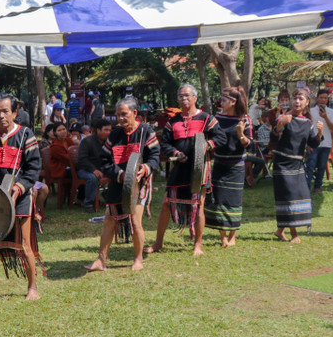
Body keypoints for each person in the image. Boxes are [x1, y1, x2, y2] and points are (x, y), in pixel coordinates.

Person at [0, 92, 42, 302]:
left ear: (15, 112)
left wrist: (20, 187)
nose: (2, 115)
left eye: (5, 111)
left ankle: (32, 287)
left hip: (20, 198)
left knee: (24, 243)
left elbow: (34, 167)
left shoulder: (26, 135)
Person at [148, 84, 225, 257]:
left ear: (195, 98)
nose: (184, 99)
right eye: (181, 96)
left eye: (187, 95)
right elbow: (165, 143)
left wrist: (206, 144)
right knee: (166, 203)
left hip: (200, 169)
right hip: (179, 167)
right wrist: (175, 153)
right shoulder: (173, 121)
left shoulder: (206, 118)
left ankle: (198, 244)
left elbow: (221, 136)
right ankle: (158, 242)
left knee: (199, 205)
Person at [86, 97, 160, 272]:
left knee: (135, 221)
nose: (120, 118)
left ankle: (138, 258)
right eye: (117, 115)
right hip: (118, 181)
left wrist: (147, 168)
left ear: (135, 113)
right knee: (109, 220)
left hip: (139, 184)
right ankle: (101, 260)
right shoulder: (115, 134)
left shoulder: (146, 132)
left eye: (124, 114)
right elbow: (104, 159)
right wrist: (118, 174)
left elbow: (155, 156)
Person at [272, 89, 323, 242]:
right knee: (289, 197)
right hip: (282, 164)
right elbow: (274, 136)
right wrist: (281, 124)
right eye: (295, 98)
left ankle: (280, 230)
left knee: (301, 195)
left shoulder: (307, 123)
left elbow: (312, 143)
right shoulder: (284, 118)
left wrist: (320, 133)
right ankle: (294, 234)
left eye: (301, 98)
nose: (297, 101)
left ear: (307, 102)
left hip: (298, 164)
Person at [204, 86, 251, 247]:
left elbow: (248, 144)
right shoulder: (217, 118)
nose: (220, 102)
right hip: (219, 164)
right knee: (218, 199)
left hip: (236, 166)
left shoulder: (244, 120)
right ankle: (223, 237)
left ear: (233, 102)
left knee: (234, 201)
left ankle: (233, 236)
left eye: (224, 99)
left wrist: (241, 135)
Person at [76, 118, 112, 212]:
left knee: (117, 173)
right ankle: (88, 203)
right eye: (106, 130)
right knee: (92, 178)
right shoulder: (87, 141)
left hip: (102, 168)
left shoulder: (108, 142)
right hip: (84, 170)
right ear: (98, 130)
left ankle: (110, 197)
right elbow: (82, 159)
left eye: (109, 130)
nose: (108, 132)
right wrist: (93, 170)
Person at [305, 88, 333, 194]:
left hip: (326, 143)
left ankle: (318, 186)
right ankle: (307, 187)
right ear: (317, 99)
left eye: (325, 98)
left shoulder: (331, 112)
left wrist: (325, 116)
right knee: (310, 166)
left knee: (322, 166)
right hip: (313, 143)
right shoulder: (310, 111)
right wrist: (307, 144)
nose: (323, 100)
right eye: (321, 98)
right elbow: (307, 128)